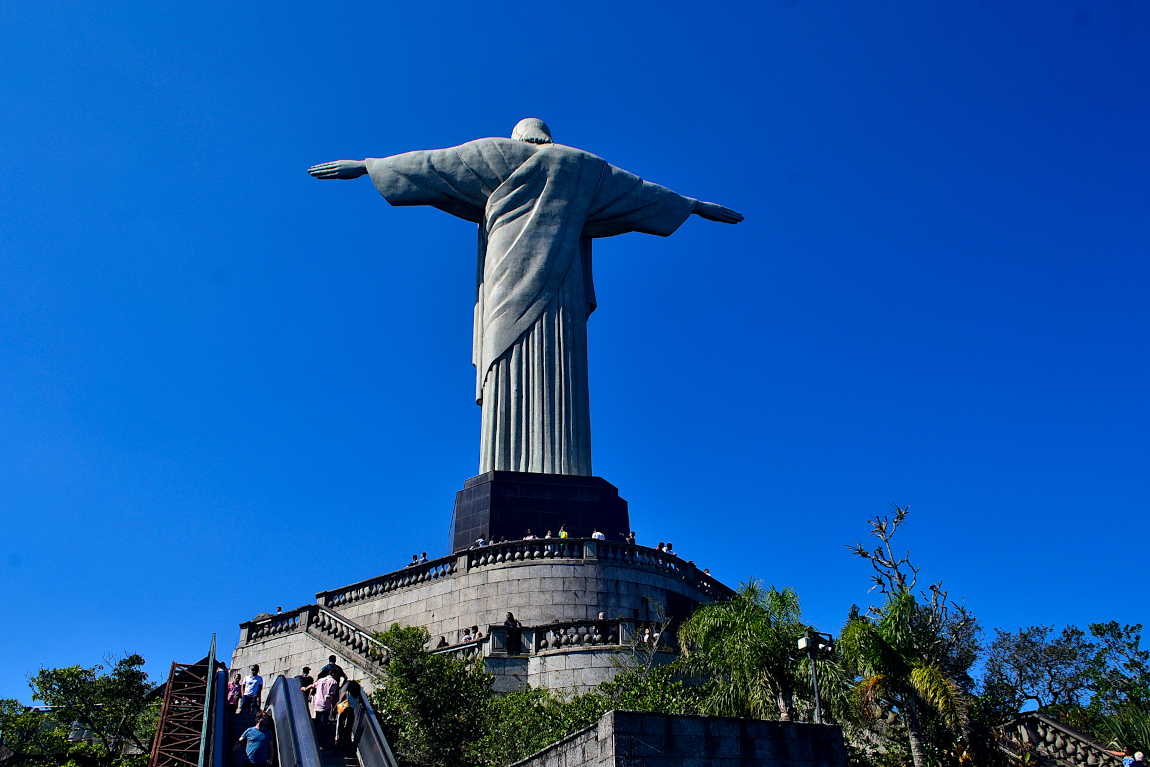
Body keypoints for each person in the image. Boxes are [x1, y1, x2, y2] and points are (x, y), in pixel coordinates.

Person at [308, 119, 742, 477]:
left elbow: (433, 164)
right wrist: (694, 205)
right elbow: (641, 192)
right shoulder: (582, 165)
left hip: (506, 276)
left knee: (507, 353)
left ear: (518, 137)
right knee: (558, 363)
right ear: (548, 137)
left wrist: (367, 165)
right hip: (563, 281)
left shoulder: (494, 153)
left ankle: (509, 461)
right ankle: (560, 464)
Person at [304, 671, 341, 748]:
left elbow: (312, 686)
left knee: (318, 720)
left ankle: (315, 738)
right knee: (323, 723)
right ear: (334, 674)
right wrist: (334, 707)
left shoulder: (320, 680)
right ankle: (322, 742)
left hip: (318, 704)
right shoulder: (334, 682)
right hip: (326, 705)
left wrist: (304, 689)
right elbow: (332, 695)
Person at [336, 680, 367, 752]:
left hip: (344, 707)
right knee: (349, 727)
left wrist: (336, 707)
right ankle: (347, 743)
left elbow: (341, 701)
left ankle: (339, 742)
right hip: (351, 711)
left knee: (340, 725)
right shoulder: (357, 694)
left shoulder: (347, 693)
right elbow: (360, 701)